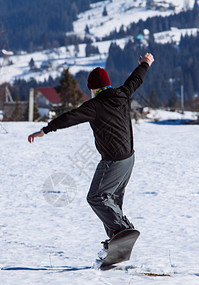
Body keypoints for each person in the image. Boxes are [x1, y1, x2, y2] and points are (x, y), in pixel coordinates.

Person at [28, 53, 154, 242]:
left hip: (113, 161)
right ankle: (117, 238)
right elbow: (136, 78)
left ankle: (122, 231)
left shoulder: (95, 105)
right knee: (111, 201)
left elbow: (70, 117)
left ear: (93, 89)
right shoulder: (123, 93)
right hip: (129, 159)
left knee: (96, 197)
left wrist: (46, 130)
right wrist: (145, 63)